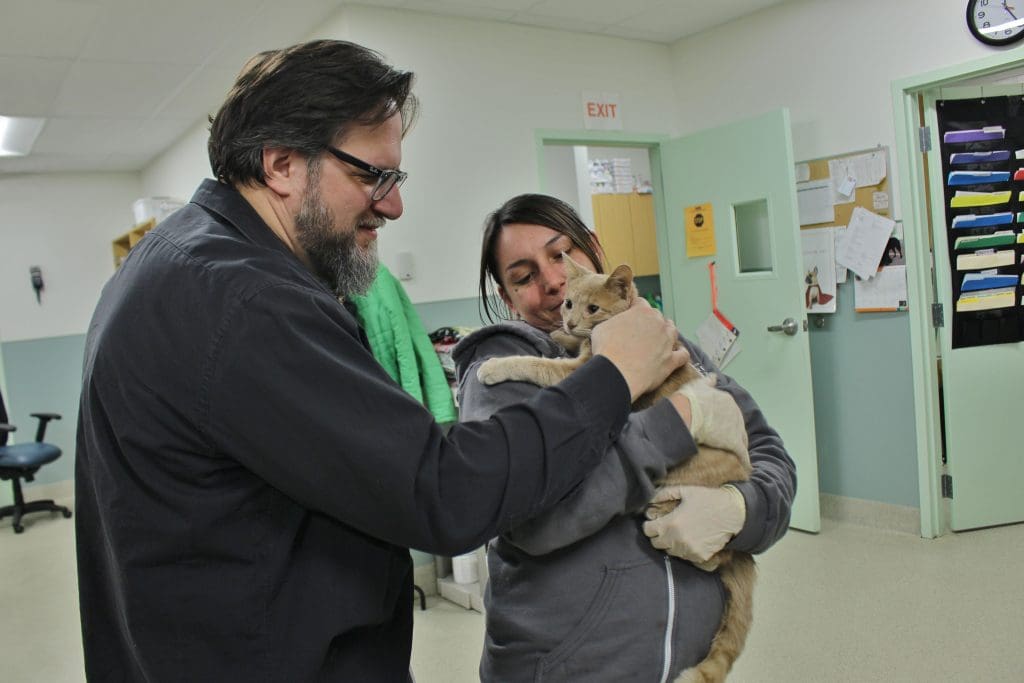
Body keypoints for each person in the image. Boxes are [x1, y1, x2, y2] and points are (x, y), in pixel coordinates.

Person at [74, 41, 690, 682]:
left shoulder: (175, 261)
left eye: (395, 179)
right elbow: (444, 492)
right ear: (283, 164)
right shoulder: (245, 302)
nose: (392, 204)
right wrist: (613, 375)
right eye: (373, 175)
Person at [454, 193, 797, 682]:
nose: (552, 282)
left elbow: (770, 454)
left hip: (687, 666)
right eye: (523, 276)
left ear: (592, 250)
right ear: (508, 299)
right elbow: (534, 522)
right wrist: (677, 421)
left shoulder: (674, 345)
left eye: (560, 254)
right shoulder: (501, 375)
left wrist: (741, 510)